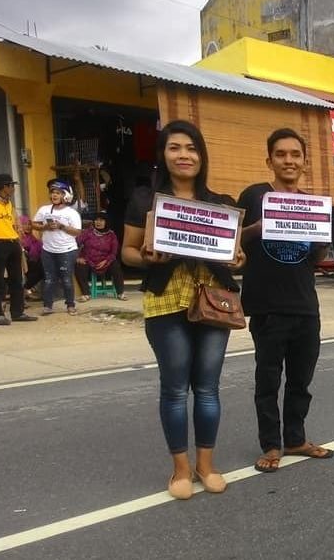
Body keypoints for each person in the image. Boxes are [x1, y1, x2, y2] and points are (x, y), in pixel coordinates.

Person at [122, 120, 245, 500]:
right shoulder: (145, 201)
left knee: (207, 388)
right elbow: (126, 251)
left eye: (191, 148)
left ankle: (206, 466)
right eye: (174, 147)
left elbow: (239, 258)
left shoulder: (222, 204)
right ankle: (179, 471)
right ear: (162, 154)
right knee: (175, 389)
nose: (184, 155)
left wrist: (239, 260)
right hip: (165, 303)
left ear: (202, 155)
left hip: (213, 304)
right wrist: (146, 257)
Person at [237, 127, 334, 474]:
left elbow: (316, 256)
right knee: (267, 381)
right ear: (270, 160)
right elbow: (232, 240)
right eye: (281, 154)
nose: (288, 160)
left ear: (304, 162)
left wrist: (320, 233)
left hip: (305, 306)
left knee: (300, 381)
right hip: (267, 308)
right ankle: (271, 445)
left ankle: (295, 438)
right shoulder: (254, 196)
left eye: (295, 155)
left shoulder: (311, 204)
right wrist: (260, 227)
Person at [0, 174, 37, 325]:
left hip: (13, 243)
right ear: (5, 187)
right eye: (11, 185)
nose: (13, 188)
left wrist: (19, 232)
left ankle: (17, 312)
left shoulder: (8, 203)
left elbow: (13, 220)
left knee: (16, 279)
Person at [33, 179, 83, 316]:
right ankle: (48, 306)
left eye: (58, 193)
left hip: (67, 250)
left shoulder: (71, 213)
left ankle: (70, 305)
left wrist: (61, 226)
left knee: (66, 278)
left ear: (65, 195)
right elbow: (34, 224)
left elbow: (77, 232)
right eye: (52, 193)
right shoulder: (44, 210)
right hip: (48, 250)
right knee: (49, 278)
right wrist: (45, 227)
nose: (54, 195)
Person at [75, 211, 127, 302]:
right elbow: (75, 244)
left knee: (116, 266)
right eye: (96, 220)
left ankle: (120, 293)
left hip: (105, 261)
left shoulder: (112, 235)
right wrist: (77, 257)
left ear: (106, 222)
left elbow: (113, 253)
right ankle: (86, 294)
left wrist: (106, 261)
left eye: (101, 220)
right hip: (88, 260)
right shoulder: (87, 232)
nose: (98, 222)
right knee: (80, 266)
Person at [18, 215, 43, 300]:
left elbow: (41, 249)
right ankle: (25, 289)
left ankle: (27, 289)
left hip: (33, 262)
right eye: (24, 224)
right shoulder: (18, 237)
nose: (28, 226)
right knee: (41, 268)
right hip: (23, 263)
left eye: (29, 224)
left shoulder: (32, 238)